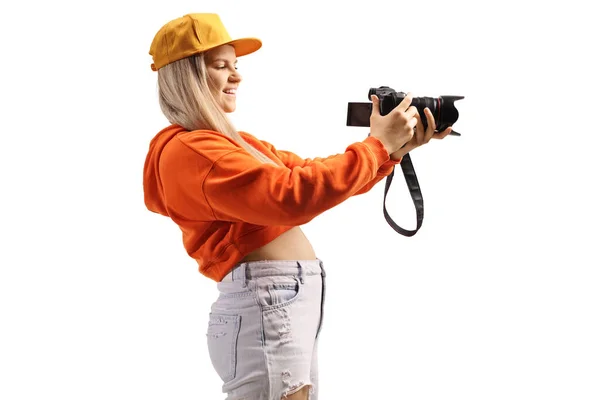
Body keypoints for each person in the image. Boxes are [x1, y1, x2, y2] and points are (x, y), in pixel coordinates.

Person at [143, 12, 453, 400]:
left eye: (236, 66)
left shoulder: (232, 142)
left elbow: (311, 175)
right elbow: (291, 195)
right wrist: (377, 146)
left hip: (278, 304)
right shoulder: (192, 151)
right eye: (221, 66)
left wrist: (390, 151)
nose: (237, 76)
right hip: (266, 304)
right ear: (185, 76)